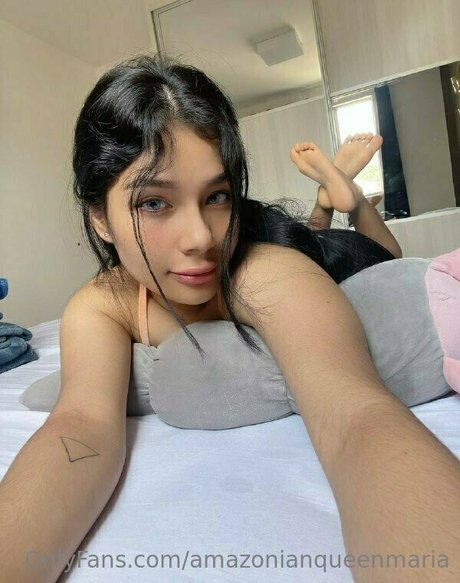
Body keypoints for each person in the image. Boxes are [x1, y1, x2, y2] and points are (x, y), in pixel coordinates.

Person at [0, 53, 459, 583]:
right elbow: (80, 426)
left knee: (385, 252)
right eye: (154, 203)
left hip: (343, 258)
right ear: (100, 217)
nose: (201, 238)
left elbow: (355, 414)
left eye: (216, 197)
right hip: (296, 244)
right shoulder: (101, 304)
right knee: (312, 228)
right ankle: (326, 200)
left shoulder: (266, 272)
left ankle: (348, 199)